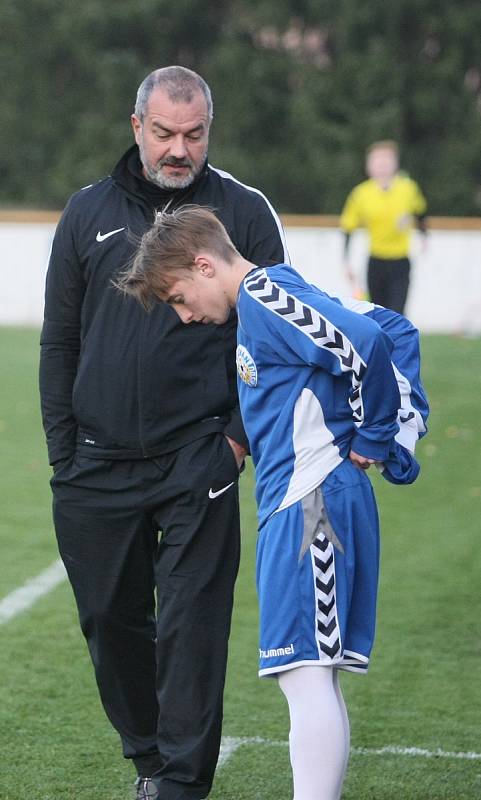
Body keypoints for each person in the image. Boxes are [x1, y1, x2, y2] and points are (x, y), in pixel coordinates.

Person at [115, 205, 429, 800]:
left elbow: (369, 340)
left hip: (313, 504)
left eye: (180, 297)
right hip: (306, 502)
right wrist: (398, 431)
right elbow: (395, 327)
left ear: (204, 265)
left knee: (305, 674)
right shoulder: (274, 294)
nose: (184, 315)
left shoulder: (264, 297)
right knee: (309, 674)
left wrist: (380, 437)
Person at [39, 66, 289, 800]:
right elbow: (59, 341)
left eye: (194, 133)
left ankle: (178, 784)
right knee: (108, 621)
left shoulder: (243, 213)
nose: (179, 149)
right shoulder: (87, 213)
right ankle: (150, 755)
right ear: (136, 127)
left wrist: (236, 443)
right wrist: (63, 452)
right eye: (164, 133)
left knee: (192, 629)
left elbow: (274, 339)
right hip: (94, 464)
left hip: (198, 459)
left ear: (209, 129)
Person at [340, 140, 428, 315]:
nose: (381, 166)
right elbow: (348, 227)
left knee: (397, 313)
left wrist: (424, 236)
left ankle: (398, 342)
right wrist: (346, 261)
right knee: (379, 313)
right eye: (377, 161)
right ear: (368, 166)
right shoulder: (361, 193)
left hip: (401, 261)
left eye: (386, 161)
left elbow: (420, 212)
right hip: (376, 261)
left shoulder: (408, 188)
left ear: (395, 164)